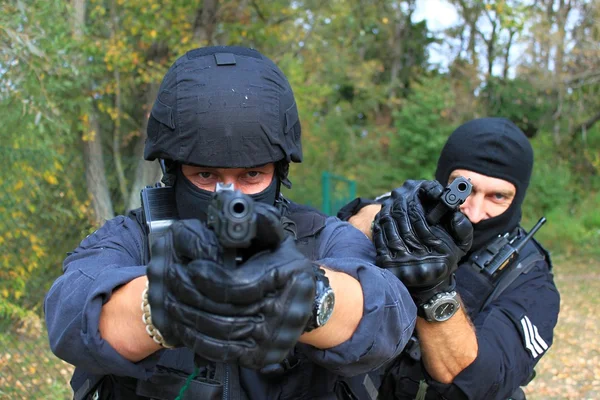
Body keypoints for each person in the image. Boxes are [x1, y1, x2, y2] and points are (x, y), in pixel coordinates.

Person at [44, 46, 416, 400]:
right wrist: (167, 302)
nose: (229, 196)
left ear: (278, 172)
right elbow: (71, 310)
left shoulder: (321, 237)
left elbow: (388, 312)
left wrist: (305, 295)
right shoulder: (132, 238)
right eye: (205, 175)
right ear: (173, 171)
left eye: (251, 175)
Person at [339, 118, 560, 399]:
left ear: (517, 199)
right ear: (444, 179)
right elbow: (347, 227)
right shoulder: (407, 212)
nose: (476, 212)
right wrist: (385, 224)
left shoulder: (531, 279)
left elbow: (480, 382)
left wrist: (433, 290)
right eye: (464, 188)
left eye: (498, 196)